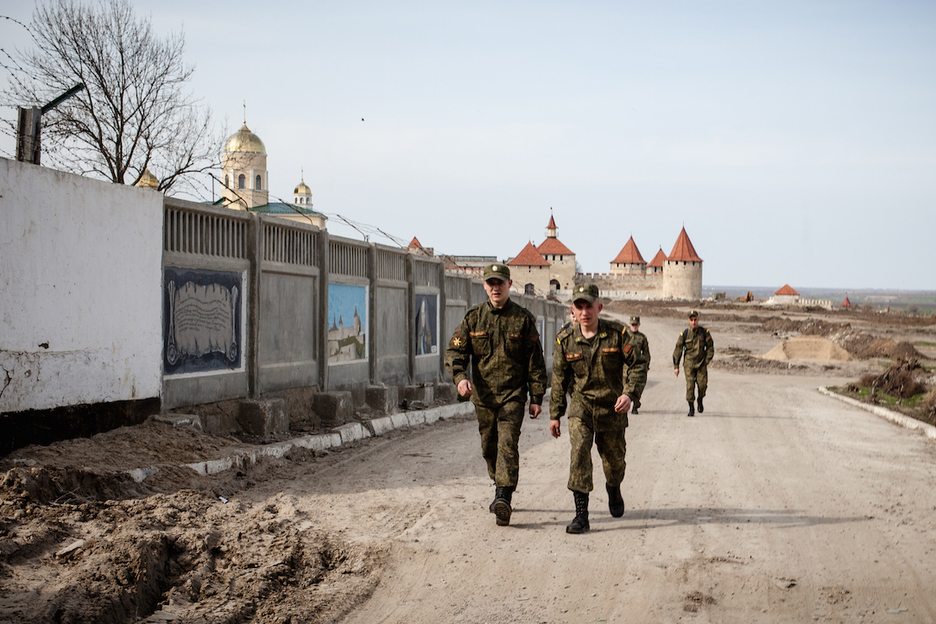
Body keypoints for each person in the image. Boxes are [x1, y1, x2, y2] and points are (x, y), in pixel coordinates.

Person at [445, 263, 547, 526]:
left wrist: (536, 397)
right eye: (490, 283)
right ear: (485, 286)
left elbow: (535, 361)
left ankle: (504, 496)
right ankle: (498, 482)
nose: (495, 288)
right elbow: (456, 352)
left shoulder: (523, 319)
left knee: (507, 444)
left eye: (500, 283)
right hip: (484, 397)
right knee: (489, 447)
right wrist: (460, 378)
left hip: (513, 395)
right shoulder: (473, 318)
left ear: (509, 284)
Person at [549, 284, 638, 534]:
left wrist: (629, 393)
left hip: (613, 409)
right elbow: (559, 379)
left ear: (599, 307)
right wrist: (555, 414)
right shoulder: (565, 339)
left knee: (614, 463)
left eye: (589, 306)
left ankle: (613, 487)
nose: (585, 311)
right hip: (582, 407)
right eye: (579, 306)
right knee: (579, 452)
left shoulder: (618, 334)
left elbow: (637, 365)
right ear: (573, 310)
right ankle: (581, 515)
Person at [673, 310, 714, 417]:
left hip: (701, 364)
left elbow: (710, 348)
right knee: (690, 386)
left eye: (695, 320)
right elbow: (678, 350)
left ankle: (700, 399)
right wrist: (676, 366)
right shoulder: (685, 334)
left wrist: (706, 361)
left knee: (702, 386)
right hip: (689, 365)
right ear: (688, 321)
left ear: (698, 320)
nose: (694, 322)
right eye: (691, 320)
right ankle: (691, 408)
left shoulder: (704, 333)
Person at [624, 315, 651, 414]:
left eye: (636, 325)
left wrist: (646, 365)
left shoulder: (642, 337)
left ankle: (635, 405)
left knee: (637, 386)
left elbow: (646, 353)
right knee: (624, 386)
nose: (634, 326)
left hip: (637, 366)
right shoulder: (625, 336)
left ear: (639, 325)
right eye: (632, 324)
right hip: (625, 366)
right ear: (629, 324)